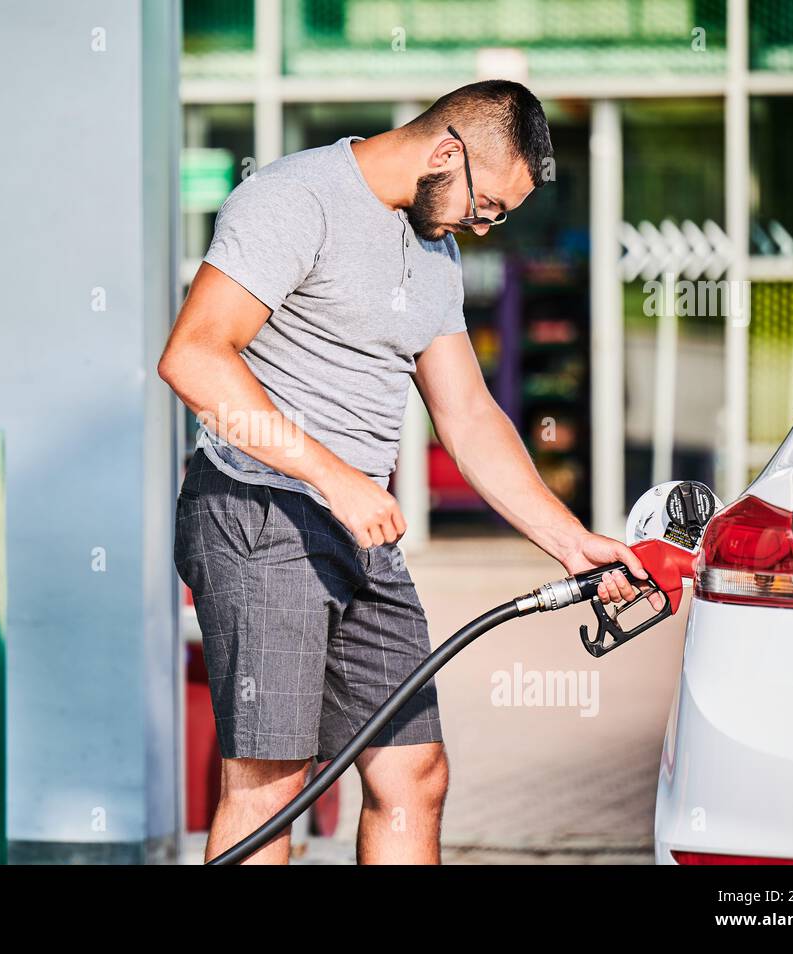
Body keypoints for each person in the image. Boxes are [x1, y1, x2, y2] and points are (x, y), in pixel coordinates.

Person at [158, 79, 653, 865]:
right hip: (258, 513)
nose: (484, 228)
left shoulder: (434, 250)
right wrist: (336, 476)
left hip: (356, 530)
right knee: (271, 785)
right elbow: (193, 355)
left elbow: (467, 415)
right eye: (485, 206)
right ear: (446, 153)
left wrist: (568, 539)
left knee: (413, 773)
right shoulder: (295, 200)